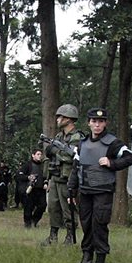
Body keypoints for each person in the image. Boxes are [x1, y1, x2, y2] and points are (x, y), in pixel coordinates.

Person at [70, 108, 132, 263]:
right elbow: (76, 168)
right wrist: (71, 189)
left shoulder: (113, 143)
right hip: (85, 191)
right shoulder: (82, 144)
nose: (97, 125)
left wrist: (111, 162)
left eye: (100, 121)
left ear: (105, 123)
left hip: (103, 191)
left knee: (99, 225)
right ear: (89, 123)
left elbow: (131, 157)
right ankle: (87, 259)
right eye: (94, 121)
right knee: (86, 225)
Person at [42, 104, 83, 245]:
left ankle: (70, 236)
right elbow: (52, 157)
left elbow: (71, 157)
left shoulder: (77, 137)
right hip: (55, 177)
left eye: (60, 117)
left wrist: (55, 151)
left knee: (68, 209)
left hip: (68, 179)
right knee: (53, 207)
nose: (58, 119)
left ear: (69, 119)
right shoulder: (59, 136)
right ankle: (52, 236)